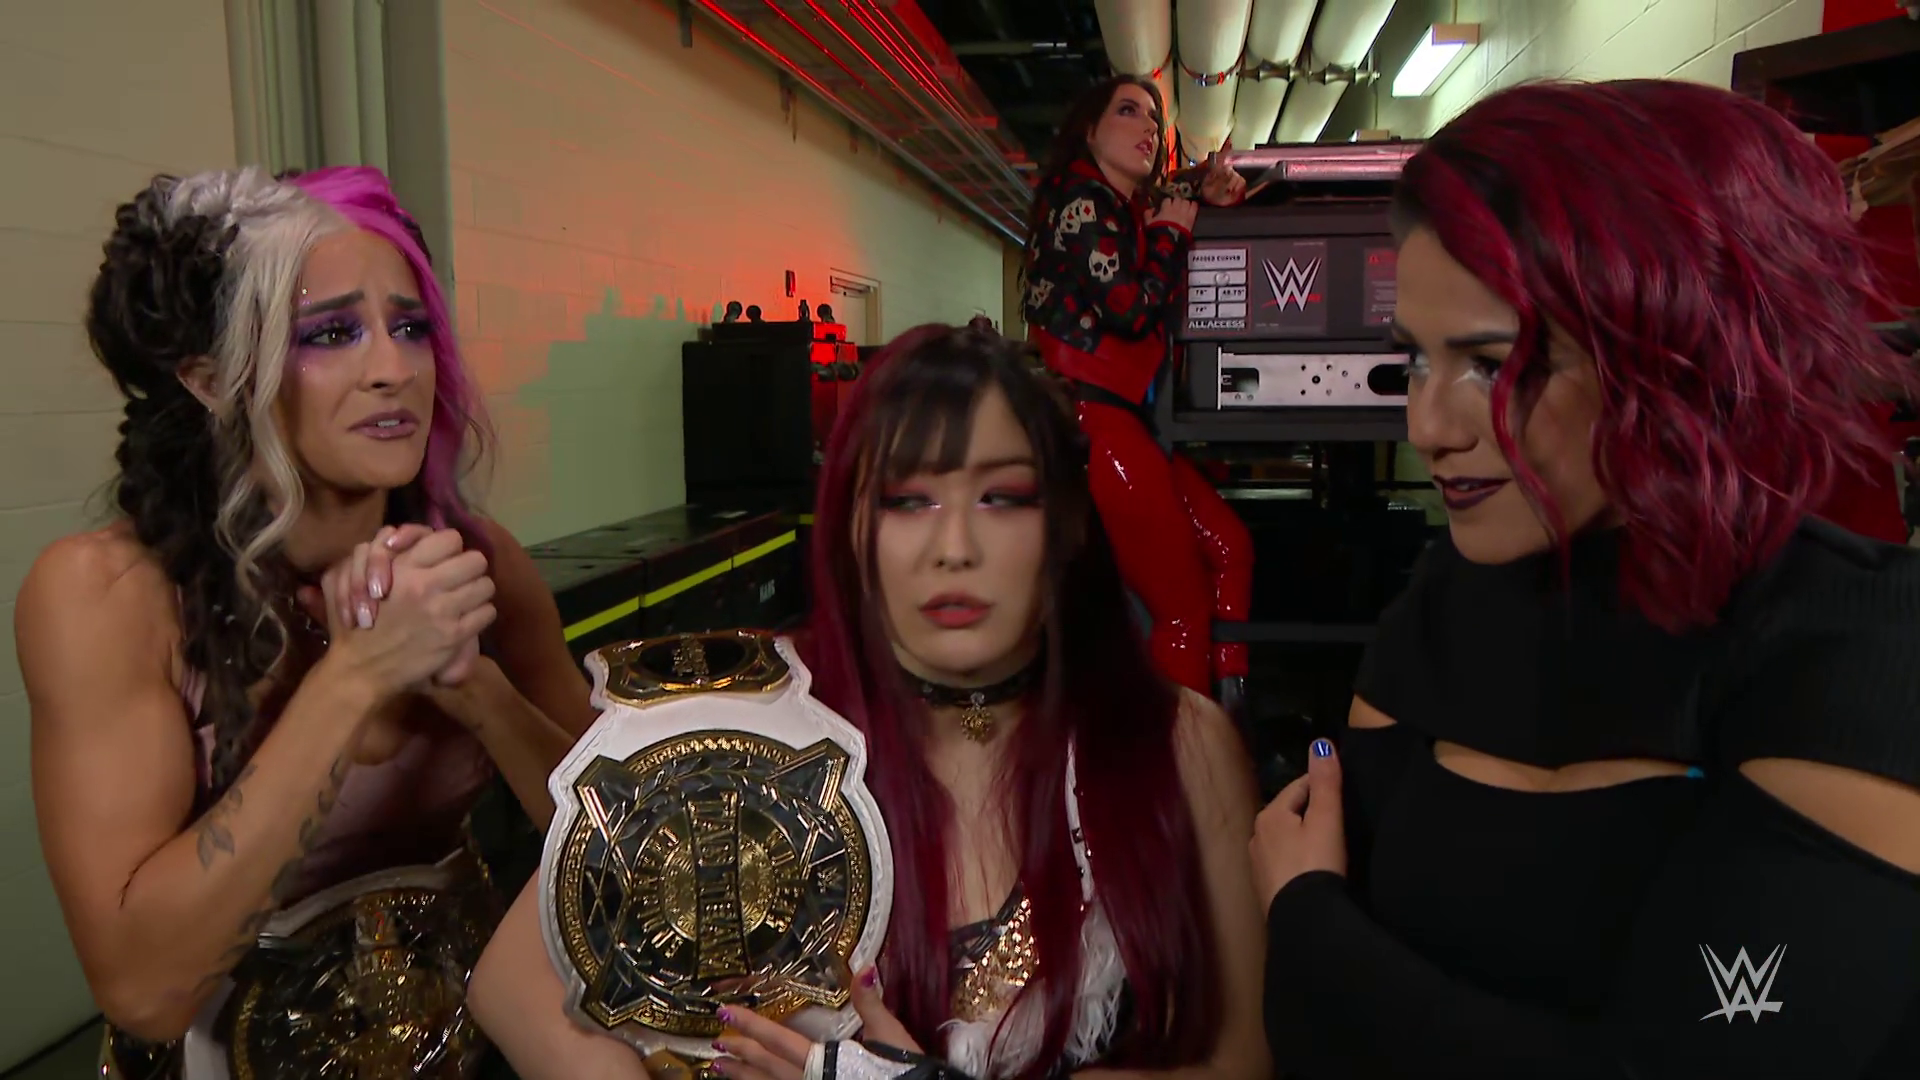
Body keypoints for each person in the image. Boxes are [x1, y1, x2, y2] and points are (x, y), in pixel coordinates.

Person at [1250, 79, 1920, 1078]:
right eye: (1417, 362)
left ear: (1677, 346)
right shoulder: (1442, 604)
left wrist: (1306, 920)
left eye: (1495, 365)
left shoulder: (1859, 648)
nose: (1429, 426)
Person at [467, 324, 1271, 1080]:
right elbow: (512, 985)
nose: (955, 547)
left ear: (1064, 523)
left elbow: (1240, 1062)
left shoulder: (1177, 746)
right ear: (851, 528)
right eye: (908, 501)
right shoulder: (751, 735)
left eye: (1001, 498)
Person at [17, 165, 595, 1065]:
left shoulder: (478, 563)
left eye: (410, 327)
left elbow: (622, 862)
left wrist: (478, 692)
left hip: (473, 1051)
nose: (393, 370)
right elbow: (143, 988)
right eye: (331, 333)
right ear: (214, 379)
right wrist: (358, 674)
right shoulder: (107, 596)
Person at [1020, 75, 1253, 699]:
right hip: (1101, 428)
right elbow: (1128, 308)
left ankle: (1229, 701)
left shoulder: (1115, 206)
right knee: (1181, 612)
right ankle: (1190, 747)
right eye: (1129, 111)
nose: (1149, 126)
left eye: (1154, 117)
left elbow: (1163, 200)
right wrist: (1174, 234)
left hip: (1125, 426)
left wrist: (1201, 186)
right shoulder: (1082, 202)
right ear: (1090, 131)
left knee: (1230, 546)